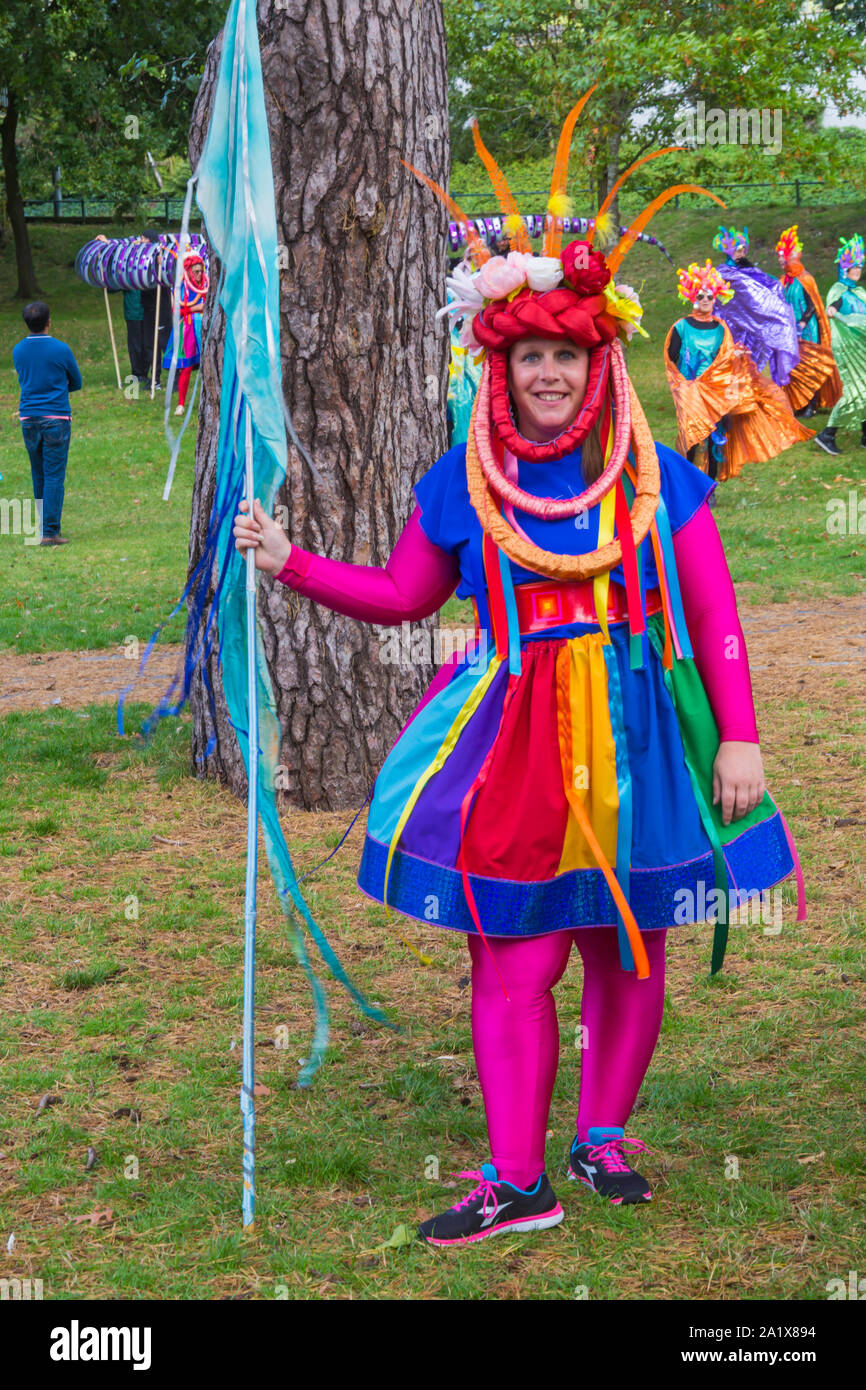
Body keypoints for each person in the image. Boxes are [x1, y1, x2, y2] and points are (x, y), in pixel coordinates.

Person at [233, 102, 802, 1247]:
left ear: (597, 361)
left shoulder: (655, 476)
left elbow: (713, 611)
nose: (547, 373)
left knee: (626, 934)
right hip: (517, 735)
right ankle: (513, 1178)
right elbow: (403, 597)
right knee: (518, 947)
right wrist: (286, 560)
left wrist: (736, 735)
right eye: (529, 354)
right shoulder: (461, 477)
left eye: (566, 354)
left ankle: (600, 1138)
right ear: (501, 365)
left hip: (637, 723)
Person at [665, 261, 812, 481]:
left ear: (715, 298)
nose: (705, 301)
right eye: (700, 296)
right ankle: (686, 482)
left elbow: (726, 354)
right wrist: (682, 385)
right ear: (692, 297)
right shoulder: (681, 327)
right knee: (693, 439)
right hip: (692, 392)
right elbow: (671, 358)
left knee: (716, 438)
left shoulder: (720, 327)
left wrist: (736, 357)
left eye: (709, 297)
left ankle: (709, 485)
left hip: (716, 392)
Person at [12, 301, 82, 546]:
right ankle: (50, 532)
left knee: (38, 473)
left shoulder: (18, 350)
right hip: (56, 418)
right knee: (54, 475)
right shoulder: (61, 349)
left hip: (28, 418)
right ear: (49, 322)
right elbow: (76, 382)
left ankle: (44, 527)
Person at [711, 225, 800, 387]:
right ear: (729, 251)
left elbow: (765, 288)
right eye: (738, 249)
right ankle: (728, 403)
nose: (742, 253)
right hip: (728, 327)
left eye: (744, 249)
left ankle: (744, 400)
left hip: (749, 329)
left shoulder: (750, 272)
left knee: (747, 364)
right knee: (729, 365)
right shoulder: (722, 273)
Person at [775, 225, 842, 422]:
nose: (780, 259)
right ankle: (797, 403)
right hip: (789, 332)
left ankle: (810, 405)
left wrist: (803, 323)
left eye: (782, 256)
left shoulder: (805, 279)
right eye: (778, 256)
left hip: (806, 331)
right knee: (792, 368)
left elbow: (813, 304)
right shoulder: (783, 281)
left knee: (808, 367)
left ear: (791, 256)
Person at [814, 235, 866, 456]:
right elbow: (832, 308)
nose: (859, 269)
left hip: (863, 347)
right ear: (845, 268)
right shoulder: (839, 290)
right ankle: (827, 434)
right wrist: (836, 313)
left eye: (861, 265)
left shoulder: (860, 292)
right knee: (855, 391)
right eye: (855, 266)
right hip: (849, 349)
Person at [162, 251, 207, 415]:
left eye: (201, 270)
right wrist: (197, 308)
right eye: (196, 271)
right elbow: (177, 310)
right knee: (186, 367)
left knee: (209, 365)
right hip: (187, 330)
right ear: (188, 271)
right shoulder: (181, 287)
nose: (199, 274)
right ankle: (181, 404)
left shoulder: (206, 285)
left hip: (204, 329)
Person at [140, 229, 173, 389]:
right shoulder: (141, 258)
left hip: (162, 307)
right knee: (150, 344)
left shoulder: (163, 256)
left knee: (166, 343)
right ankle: (155, 380)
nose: (141, 243)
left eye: (144, 240)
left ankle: (176, 378)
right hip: (148, 308)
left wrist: (161, 265)